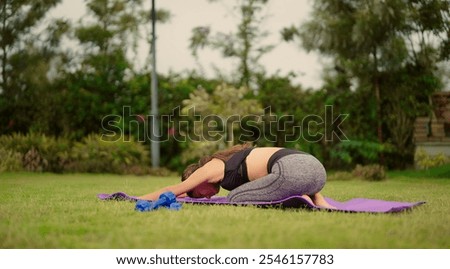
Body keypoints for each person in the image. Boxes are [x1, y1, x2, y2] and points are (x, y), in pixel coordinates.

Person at [137, 143, 335, 209]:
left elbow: (172, 190)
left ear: (195, 177)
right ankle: (316, 197)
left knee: (234, 197)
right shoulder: (231, 164)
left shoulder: (209, 168)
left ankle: (303, 197)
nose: (206, 197)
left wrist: (138, 198)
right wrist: (186, 195)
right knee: (264, 184)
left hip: (292, 170)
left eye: (196, 193)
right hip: (317, 170)